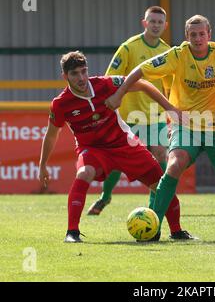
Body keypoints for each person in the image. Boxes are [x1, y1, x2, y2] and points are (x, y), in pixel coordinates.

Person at [106, 15, 215, 240]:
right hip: (186, 125)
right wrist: (120, 94)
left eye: (201, 34)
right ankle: (155, 229)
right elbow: (140, 70)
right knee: (174, 165)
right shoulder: (176, 56)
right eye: (192, 35)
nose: (197, 38)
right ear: (186, 37)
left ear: (209, 34)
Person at [38, 51, 183, 243]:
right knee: (84, 173)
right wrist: (42, 165)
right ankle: (72, 232)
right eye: (74, 74)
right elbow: (51, 135)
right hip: (93, 149)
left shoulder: (104, 84)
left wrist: (169, 108)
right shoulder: (60, 104)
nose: (81, 78)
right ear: (65, 76)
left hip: (124, 144)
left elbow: (143, 84)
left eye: (84, 71)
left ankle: (177, 231)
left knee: (161, 185)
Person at [86, 6, 194, 240]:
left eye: (160, 22)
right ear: (144, 23)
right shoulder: (129, 47)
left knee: (160, 161)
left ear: (165, 26)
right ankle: (105, 197)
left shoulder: (168, 52)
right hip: (128, 117)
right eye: (152, 21)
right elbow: (108, 78)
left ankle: (153, 213)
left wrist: (173, 112)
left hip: (154, 118)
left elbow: (170, 86)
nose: (156, 25)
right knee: (116, 164)